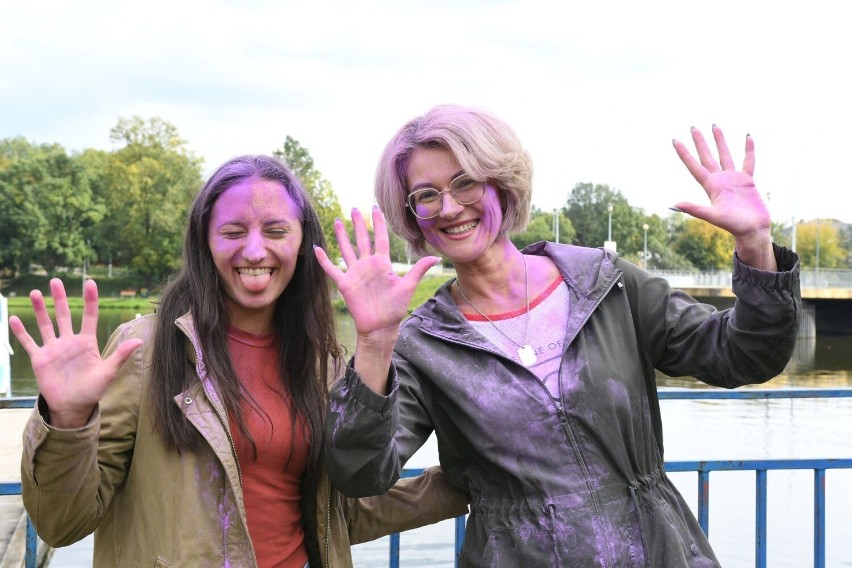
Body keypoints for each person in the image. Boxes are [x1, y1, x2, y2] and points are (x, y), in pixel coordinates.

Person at [313, 105, 802, 567]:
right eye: (426, 194)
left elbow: (743, 356)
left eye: (465, 182)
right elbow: (361, 474)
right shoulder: (423, 343)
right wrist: (375, 342)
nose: (448, 207)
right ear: (411, 213)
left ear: (502, 184)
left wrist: (755, 243)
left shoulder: (605, 283)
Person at [10, 155, 468, 567]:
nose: (254, 251)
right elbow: (61, 523)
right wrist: (67, 424)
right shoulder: (145, 352)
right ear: (204, 243)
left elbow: (336, 512)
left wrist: (475, 482)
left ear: (303, 243)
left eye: (275, 231)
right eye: (232, 232)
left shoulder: (319, 361)